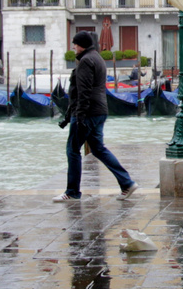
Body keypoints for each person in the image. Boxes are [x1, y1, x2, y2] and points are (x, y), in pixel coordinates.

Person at [56, 31, 137, 202]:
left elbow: (83, 91)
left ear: (82, 45)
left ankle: (72, 192)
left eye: (75, 44)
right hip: (100, 111)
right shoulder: (98, 58)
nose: (73, 47)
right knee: (98, 149)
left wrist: (79, 116)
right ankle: (127, 183)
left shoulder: (85, 61)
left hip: (88, 113)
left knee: (72, 150)